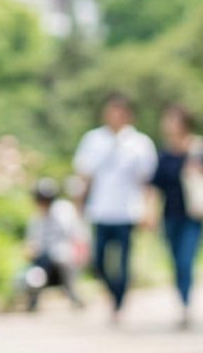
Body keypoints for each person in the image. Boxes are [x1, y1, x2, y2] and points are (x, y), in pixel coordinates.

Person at [72, 94, 157, 325]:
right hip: (100, 210)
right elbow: (83, 176)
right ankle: (113, 293)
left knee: (123, 261)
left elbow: (147, 183)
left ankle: (120, 301)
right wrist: (78, 207)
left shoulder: (140, 144)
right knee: (98, 261)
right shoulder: (93, 140)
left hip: (127, 211)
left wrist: (150, 211)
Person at [149, 104, 203, 330]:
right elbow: (154, 186)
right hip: (170, 214)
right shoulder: (164, 154)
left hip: (193, 214)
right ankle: (182, 301)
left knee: (185, 260)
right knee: (175, 263)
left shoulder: (199, 149)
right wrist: (149, 213)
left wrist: (199, 169)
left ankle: (186, 305)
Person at [12, 178, 86, 312]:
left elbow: (75, 234)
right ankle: (33, 299)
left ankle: (72, 293)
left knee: (60, 258)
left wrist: (79, 252)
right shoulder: (36, 218)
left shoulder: (64, 211)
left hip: (63, 257)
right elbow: (32, 241)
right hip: (43, 260)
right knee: (33, 271)